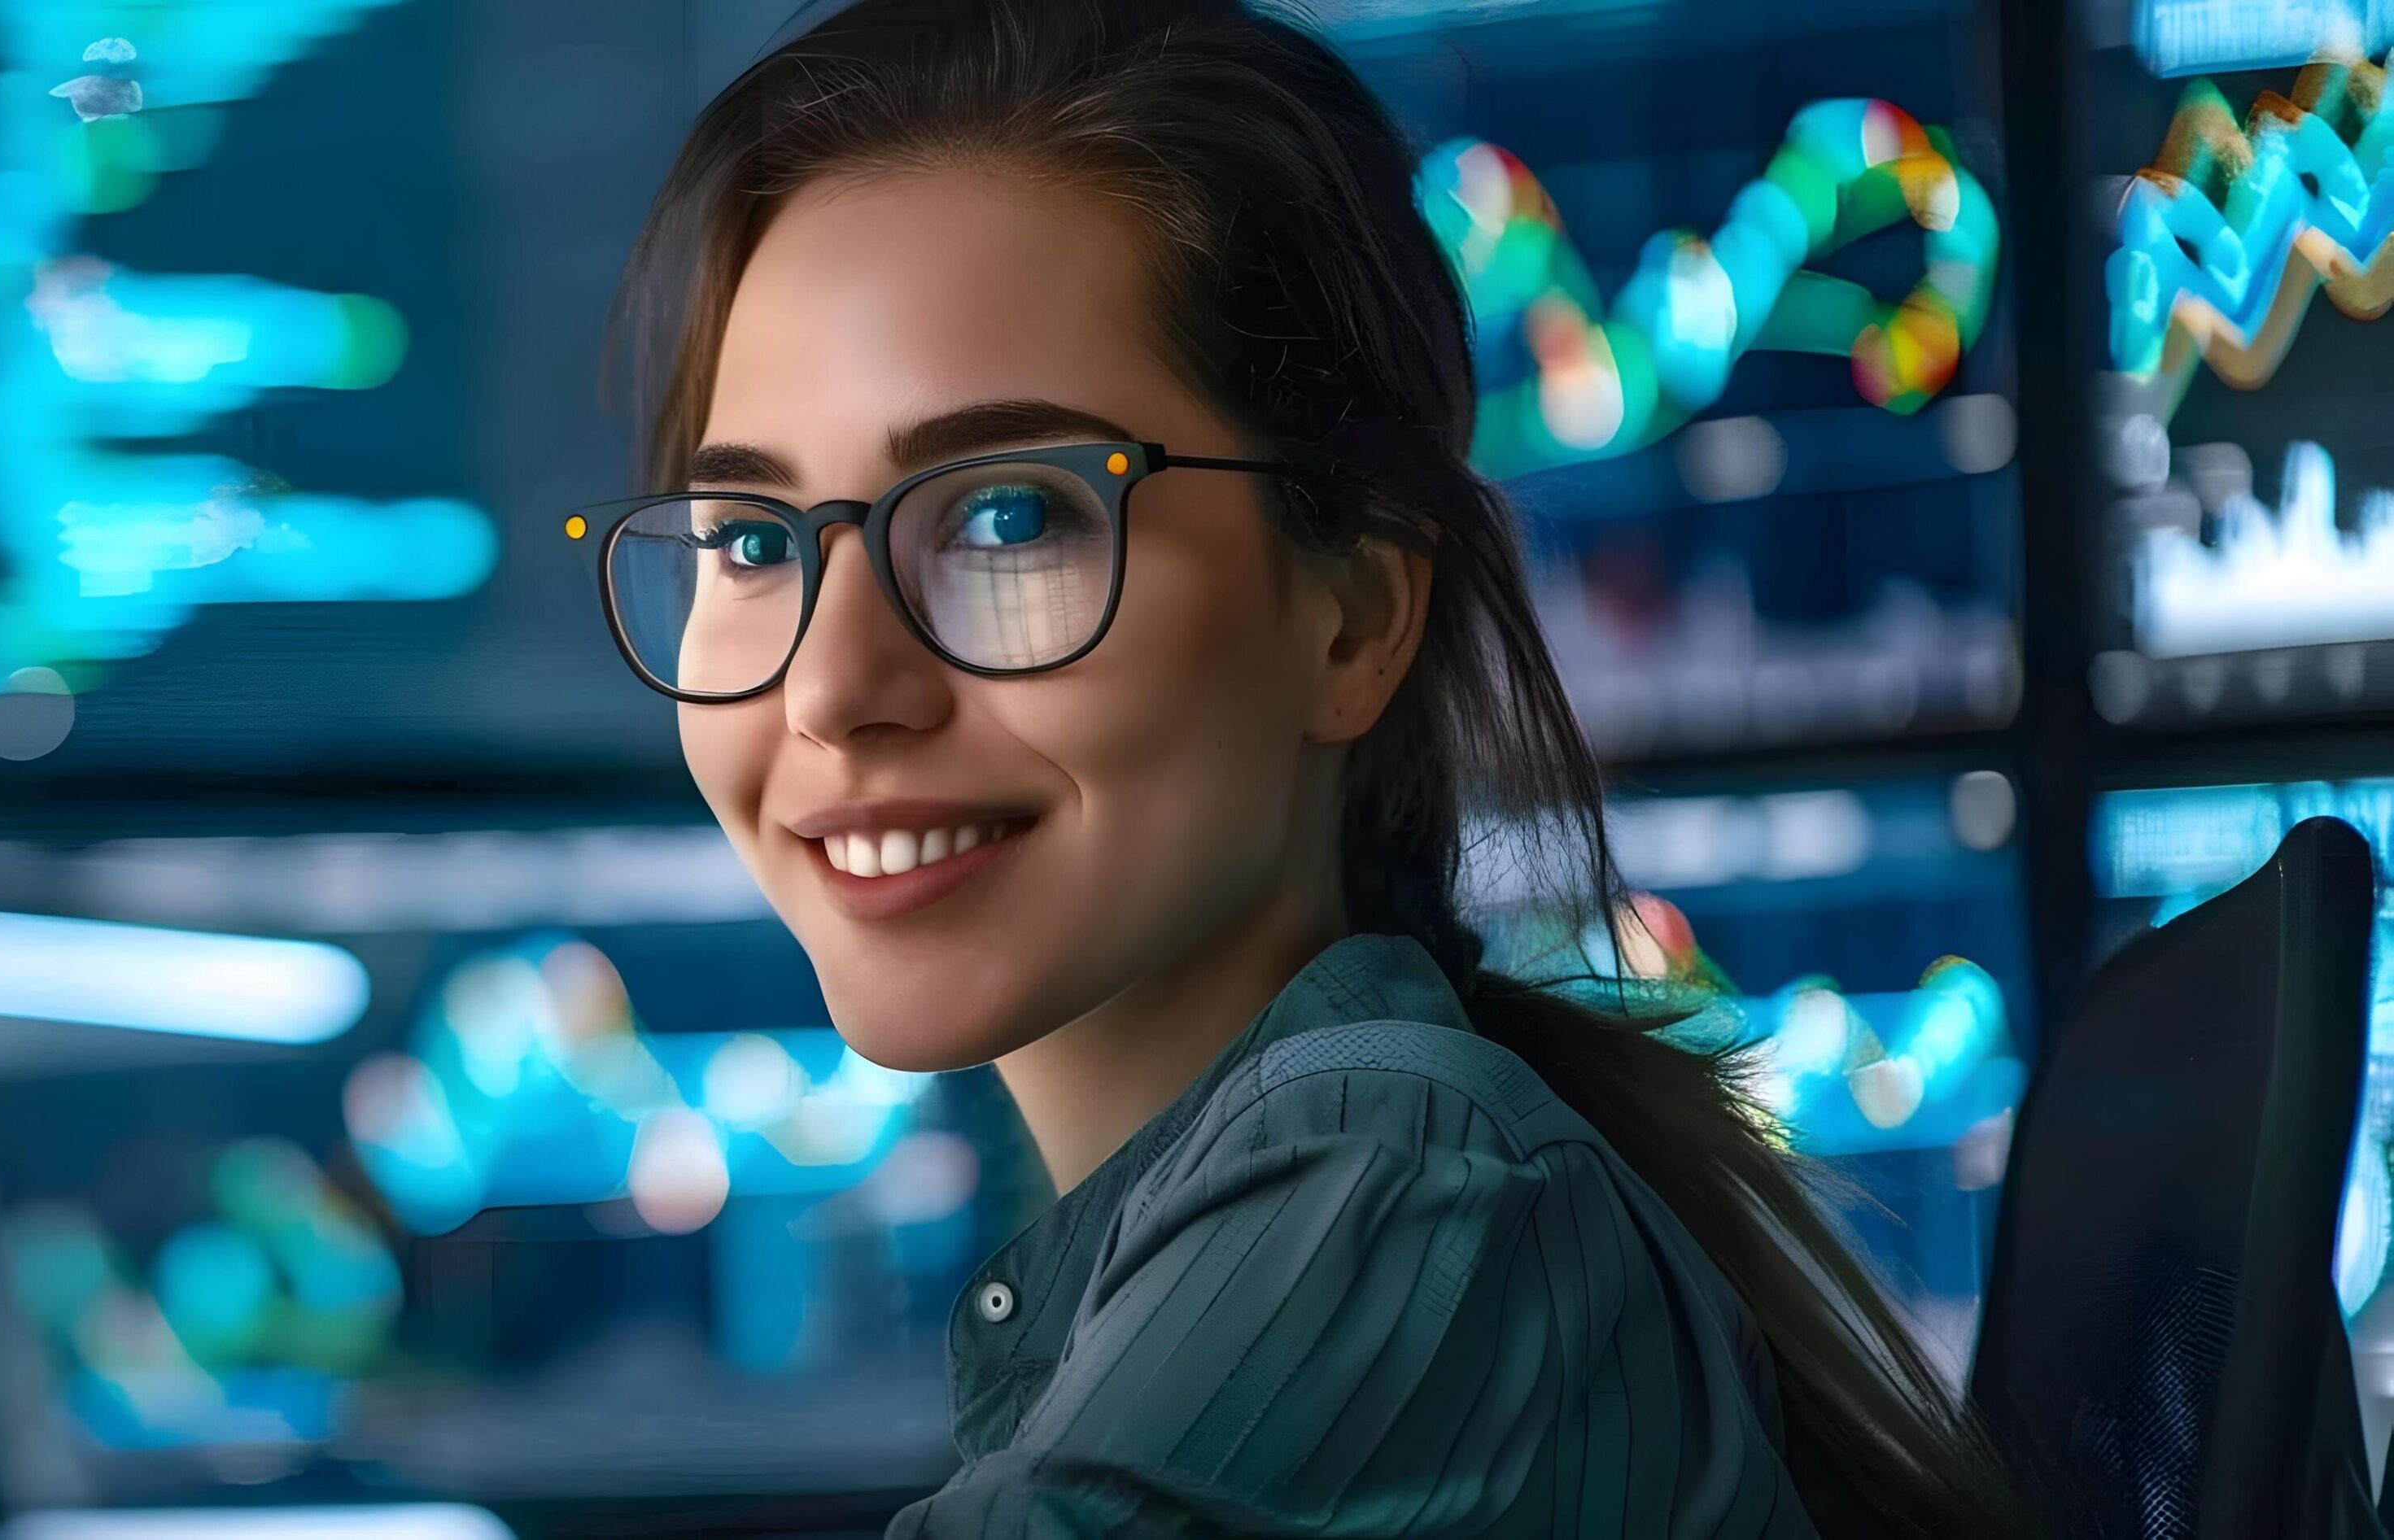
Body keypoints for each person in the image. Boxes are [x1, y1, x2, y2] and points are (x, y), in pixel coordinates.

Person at [581, 1, 2023, 1533]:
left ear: (1351, 619)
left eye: (1009, 518)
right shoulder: (1317, 1196)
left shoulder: (1405, 1199)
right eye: (749, 539)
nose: (831, 686)